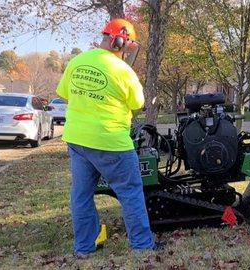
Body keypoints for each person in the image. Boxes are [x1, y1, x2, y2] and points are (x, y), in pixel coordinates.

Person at [56, 18, 160, 258]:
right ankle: (142, 246)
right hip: (111, 142)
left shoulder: (77, 61)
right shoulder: (123, 71)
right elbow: (137, 103)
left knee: (81, 195)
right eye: (127, 46)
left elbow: (64, 95)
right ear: (120, 41)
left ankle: (84, 248)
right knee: (131, 192)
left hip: (77, 141)